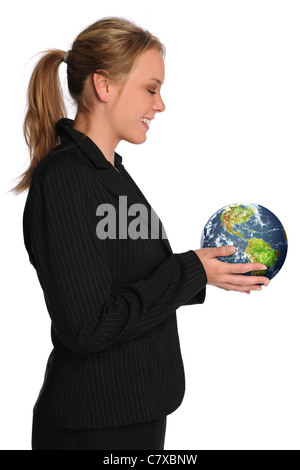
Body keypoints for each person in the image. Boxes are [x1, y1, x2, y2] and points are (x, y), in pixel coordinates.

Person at [11, 17, 269, 450]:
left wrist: (205, 272)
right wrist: (189, 272)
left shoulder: (111, 174)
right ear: (104, 86)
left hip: (134, 414)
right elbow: (87, 327)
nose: (161, 104)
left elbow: (130, 279)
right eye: (151, 89)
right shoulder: (66, 180)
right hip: (94, 426)